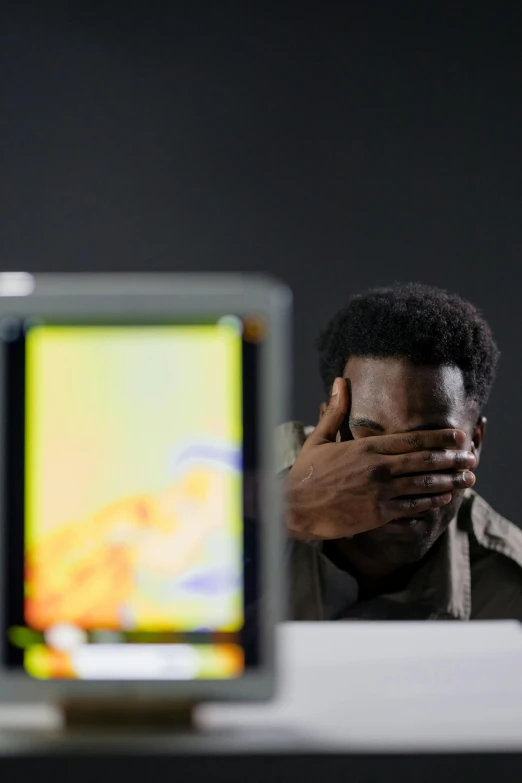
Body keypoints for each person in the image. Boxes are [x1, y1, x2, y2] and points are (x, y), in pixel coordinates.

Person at [281, 283, 522, 621]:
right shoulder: (223, 489)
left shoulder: (510, 594)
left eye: (429, 445)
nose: (394, 474)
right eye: (369, 440)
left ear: (475, 441)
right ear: (328, 427)